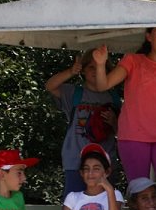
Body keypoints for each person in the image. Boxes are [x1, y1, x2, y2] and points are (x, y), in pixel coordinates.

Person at [91, 27, 156, 210]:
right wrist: (101, 65)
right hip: (133, 137)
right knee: (140, 195)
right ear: (149, 37)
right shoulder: (133, 60)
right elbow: (103, 85)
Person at [44, 49, 120, 196]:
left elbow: (122, 133)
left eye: (101, 66)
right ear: (83, 70)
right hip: (75, 163)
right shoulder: (74, 93)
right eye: (91, 66)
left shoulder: (113, 98)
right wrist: (71, 71)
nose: (96, 70)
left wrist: (114, 122)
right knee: (73, 208)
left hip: (105, 165)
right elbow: (50, 86)